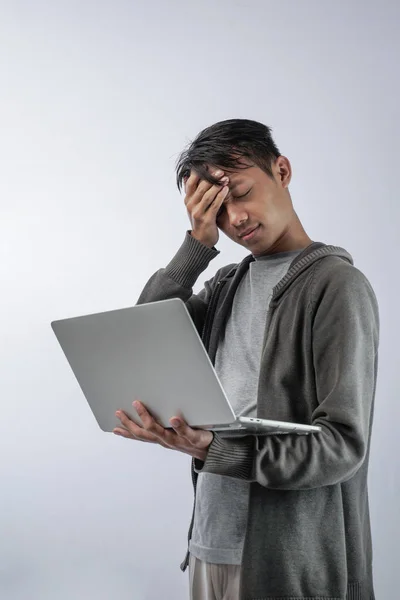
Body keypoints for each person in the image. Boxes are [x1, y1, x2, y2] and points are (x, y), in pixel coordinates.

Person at [113, 119, 379, 600]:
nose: (235, 218)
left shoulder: (337, 286)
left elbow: (342, 445)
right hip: (209, 546)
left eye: (241, 192)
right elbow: (141, 340)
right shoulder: (225, 285)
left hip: (290, 562)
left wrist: (216, 450)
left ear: (282, 170)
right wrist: (197, 246)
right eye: (217, 208)